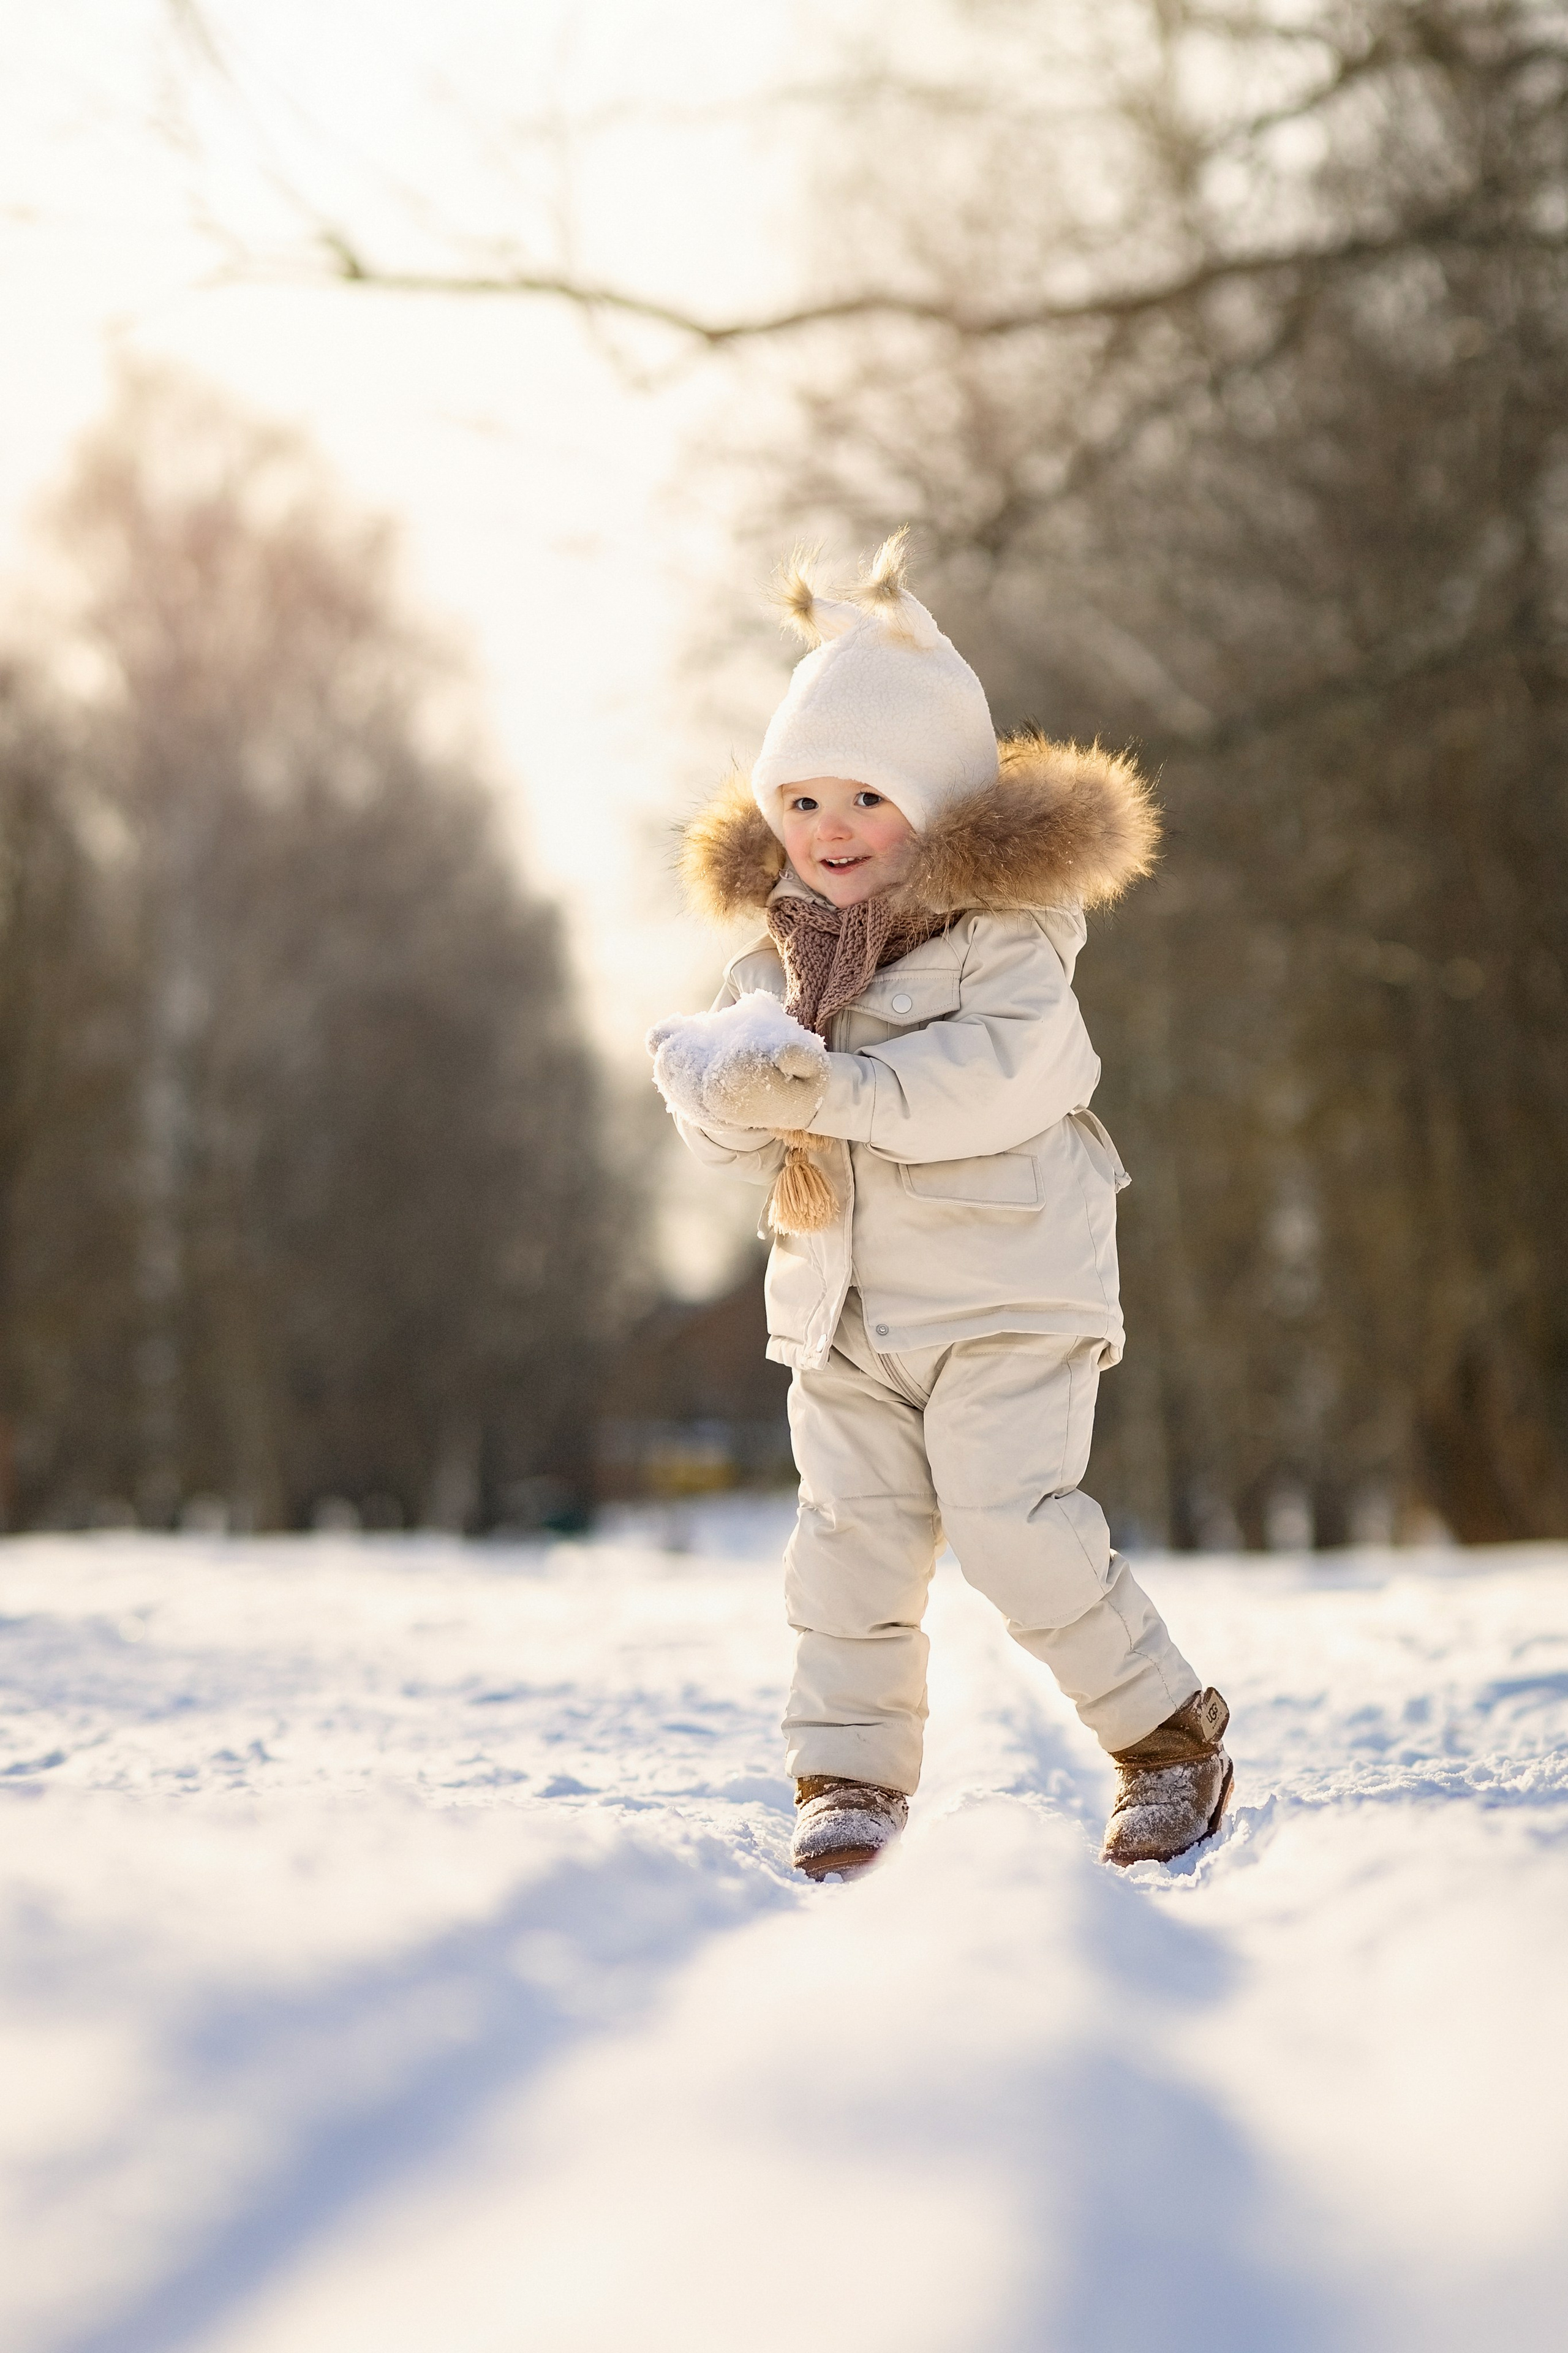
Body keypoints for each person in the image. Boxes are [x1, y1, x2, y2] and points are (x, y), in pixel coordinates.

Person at [648, 534, 1231, 1879]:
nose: (829, 829)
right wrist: (721, 1094)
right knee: (847, 1541)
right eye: (799, 801)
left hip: (1006, 1292)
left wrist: (817, 1083)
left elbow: (984, 1089)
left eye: (866, 796)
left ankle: (1166, 1735)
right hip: (841, 1304)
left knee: (1009, 1523)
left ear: (942, 806)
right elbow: (764, 1127)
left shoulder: (1011, 950)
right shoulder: (779, 963)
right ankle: (845, 1772)